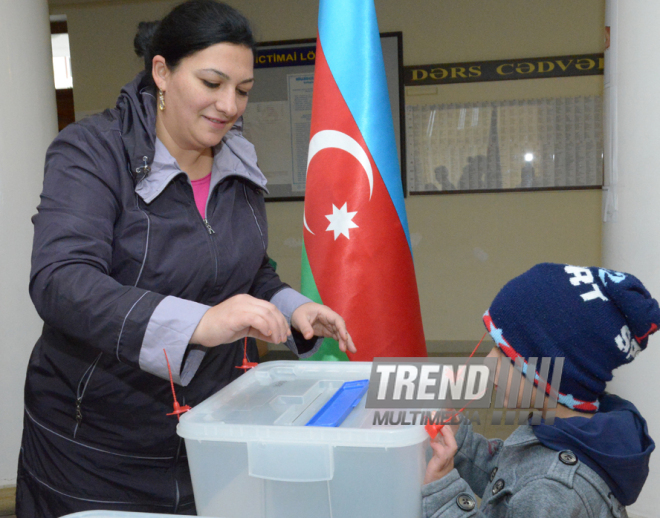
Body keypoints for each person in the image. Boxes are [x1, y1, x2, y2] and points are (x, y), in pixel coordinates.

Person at [17, 1, 355, 516]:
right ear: (162, 73)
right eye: (212, 83)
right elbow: (61, 281)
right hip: (98, 443)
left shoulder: (238, 159)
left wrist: (291, 308)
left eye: (242, 90)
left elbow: (246, 269)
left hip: (215, 425)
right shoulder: (90, 152)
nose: (229, 105)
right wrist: (200, 322)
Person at [422, 263, 656, 517]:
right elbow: (510, 476)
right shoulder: (564, 431)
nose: (488, 363)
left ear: (558, 373)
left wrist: (442, 496)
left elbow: (531, 486)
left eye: (505, 353)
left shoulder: (553, 491)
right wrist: (460, 440)